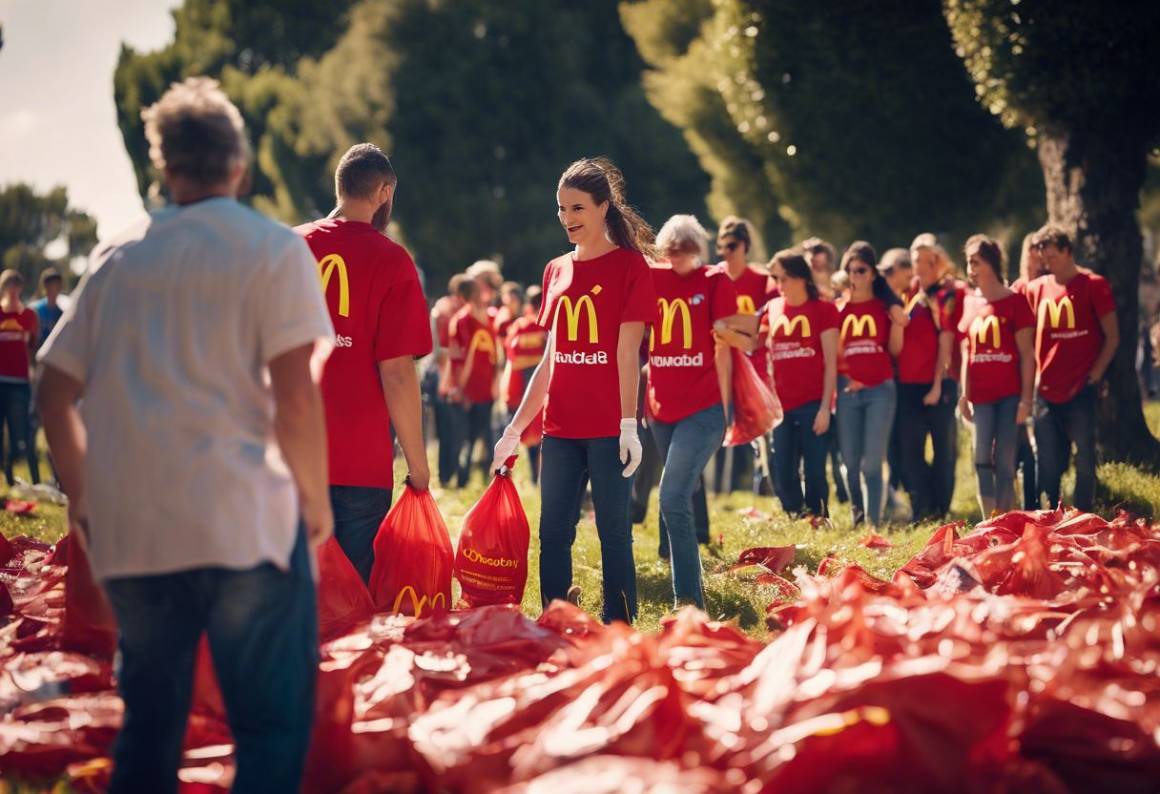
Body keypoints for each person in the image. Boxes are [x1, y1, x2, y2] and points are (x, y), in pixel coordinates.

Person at [37, 77, 332, 793]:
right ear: (240, 164)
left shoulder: (116, 257)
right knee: (267, 726)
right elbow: (295, 397)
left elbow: (53, 389)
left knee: (150, 721)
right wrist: (316, 507)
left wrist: (83, 498)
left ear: (163, 167)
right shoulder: (271, 249)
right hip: (243, 522)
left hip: (137, 529)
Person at [491, 157, 656, 624]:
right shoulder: (555, 270)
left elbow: (629, 355)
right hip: (559, 429)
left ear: (605, 207)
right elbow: (550, 359)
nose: (567, 218)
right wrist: (514, 428)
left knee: (614, 534)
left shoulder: (631, 268)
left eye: (578, 208)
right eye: (561, 209)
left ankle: (619, 626)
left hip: (609, 429)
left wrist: (629, 424)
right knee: (553, 532)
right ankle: (555, 620)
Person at [297, 143, 432, 583]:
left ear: (340, 187)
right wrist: (418, 464)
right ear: (384, 192)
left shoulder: (287, 247)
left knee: (290, 600)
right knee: (351, 603)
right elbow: (396, 372)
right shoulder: (392, 261)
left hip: (290, 454)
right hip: (361, 462)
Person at [646, 214, 742, 608]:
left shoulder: (714, 279)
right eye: (670, 254)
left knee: (670, 497)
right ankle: (689, 574)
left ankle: (688, 599)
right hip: (660, 408)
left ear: (697, 252)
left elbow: (732, 335)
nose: (677, 262)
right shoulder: (653, 276)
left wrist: (729, 405)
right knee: (681, 492)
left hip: (702, 409)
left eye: (684, 254)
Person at [1023, 224, 1118, 512]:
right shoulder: (1036, 289)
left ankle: (1083, 516)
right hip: (1046, 389)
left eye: (1053, 257)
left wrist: (1096, 375)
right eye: (1044, 259)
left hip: (1081, 387)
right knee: (1049, 462)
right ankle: (1051, 515)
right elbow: (1026, 339)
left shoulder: (1093, 285)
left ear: (1067, 251)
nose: (1048, 264)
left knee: (1086, 458)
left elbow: (1112, 337)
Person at [957, 235, 1036, 518]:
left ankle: (1005, 520)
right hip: (980, 397)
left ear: (991, 263)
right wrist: (964, 394)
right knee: (980, 458)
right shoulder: (970, 303)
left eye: (975, 261)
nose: (970, 268)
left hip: (1009, 395)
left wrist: (1026, 401)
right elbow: (967, 351)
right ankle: (987, 520)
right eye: (968, 262)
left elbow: (1028, 355)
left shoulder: (1016, 302)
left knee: (1004, 460)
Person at [894, 233, 965, 520]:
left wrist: (937, 384)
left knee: (943, 450)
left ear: (939, 261)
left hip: (940, 383)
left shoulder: (948, 293)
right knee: (909, 451)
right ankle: (922, 508)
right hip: (907, 385)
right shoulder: (908, 292)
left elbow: (947, 341)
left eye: (928, 260)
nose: (922, 266)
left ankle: (940, 509)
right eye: (917, 260)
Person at [835, 242, 905, 527]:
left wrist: (899, 323)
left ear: (873, 273)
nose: (856, 276)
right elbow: (834, 352)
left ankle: (873, 525)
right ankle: (858, 517)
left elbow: (895, 351)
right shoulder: (838, 308)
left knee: (872, 463)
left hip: (880, 391)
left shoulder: (884, 307)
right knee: (850, 464)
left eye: (862, 270)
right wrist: (846, 378)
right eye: (851, 271)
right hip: (848, 391)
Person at [766, 248, 839, 518]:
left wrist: (825, 408)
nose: (779, 285)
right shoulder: (773, 308)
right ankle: (795, 514)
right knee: (782, 466)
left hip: (813, 403)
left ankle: (818, 516)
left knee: (815, 469)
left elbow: (831, 362)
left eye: (783, 278)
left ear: (799, 278)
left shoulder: (824, 309)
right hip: (781, 406)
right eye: (776, 279)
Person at [713, 216, 774, 494]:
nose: (725, 251)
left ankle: (766, 486)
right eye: (721, 246)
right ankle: (719, 490)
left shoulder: (761, 280)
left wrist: (741, 334)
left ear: (745, 246)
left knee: (762, 428)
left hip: (754, 361)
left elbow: (767, 322)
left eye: (732, 245)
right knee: (719, 422)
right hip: (722, 361)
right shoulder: (714, 276)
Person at [447, 277, 499, 487]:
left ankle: (489, 480)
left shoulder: (488, 319)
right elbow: (457, 358)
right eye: (477, 291)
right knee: (466, 438)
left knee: (486, 436)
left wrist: (496, 381)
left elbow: (494, 355)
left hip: (486, 388)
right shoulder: (462, 321)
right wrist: (459, 387)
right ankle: (462, 480)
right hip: (467, 390)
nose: (482, 294)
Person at [1012, 233, 1049, 508]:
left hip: (1048, 370)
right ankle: (1027, 506)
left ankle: (1041, 501)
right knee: (1024, 444)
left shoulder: (1051, 286)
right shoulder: (1019, 289)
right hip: (1023, 373)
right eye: (1033, 253)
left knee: (1041, 444)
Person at [878, 248, 914, 519]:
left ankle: (894, 496)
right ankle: (888, 498)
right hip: (878, 377)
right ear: (898, 270)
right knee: (885, 444)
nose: (910, 279)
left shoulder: (896, 298)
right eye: (908, 273)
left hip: (897, 377)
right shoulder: (881, 293)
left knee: (897, 442)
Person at [501, 286, 546, 481]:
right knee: (539, 435)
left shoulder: (519, 326)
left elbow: (510, 357)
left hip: (517, 387)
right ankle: (537, 477)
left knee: (514, 432)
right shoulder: (548, 326)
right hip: (540, 388)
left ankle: (504, 474)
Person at [0, 270, 40, 487]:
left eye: (17, 286)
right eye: (9, 286)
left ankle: (14, 473)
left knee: (19, 437)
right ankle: (4, 482)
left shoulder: (28, 316)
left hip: (20, 384)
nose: (13, 291)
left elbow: (33, 346)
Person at [430, 273, 467, 486]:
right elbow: (442, 351)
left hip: (443, 376)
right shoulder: (450, 311)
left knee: (448, 431)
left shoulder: (441, 308)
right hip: (448, 377)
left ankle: (447, 476)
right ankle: (449, 476)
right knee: (452, 430)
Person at [30, 268, 68, 350]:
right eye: (53, 284)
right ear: (46, 286)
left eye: (59, 285)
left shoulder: (61, 312)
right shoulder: (36, 309)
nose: (57, 288)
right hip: (38, 352)